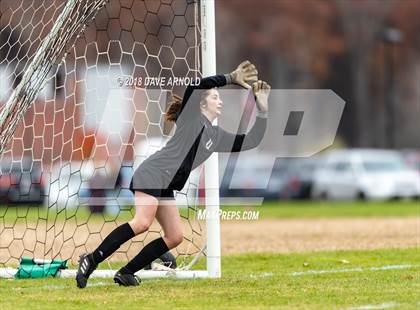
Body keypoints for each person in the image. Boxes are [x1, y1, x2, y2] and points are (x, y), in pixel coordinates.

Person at [76, 61, 271, 288]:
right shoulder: (191, 119)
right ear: (202, 103)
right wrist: (230, 77)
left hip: (165, 184)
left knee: (175, 236)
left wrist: (263, 110)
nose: (220, 100)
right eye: (215, 97)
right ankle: (91, 260)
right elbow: (195, 85)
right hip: (153, 173)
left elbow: (251, 140)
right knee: (142, 223)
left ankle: (126, 272)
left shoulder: (215, 135)